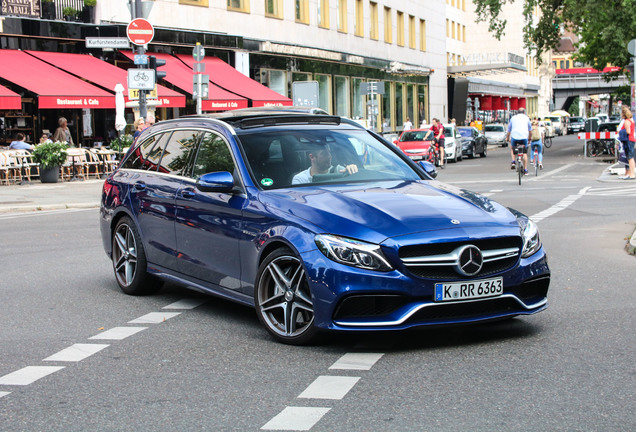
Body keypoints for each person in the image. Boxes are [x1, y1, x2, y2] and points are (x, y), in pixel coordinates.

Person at [291, 144, 358, 184]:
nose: (329, 156)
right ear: (312, 157)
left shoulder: (338, 171)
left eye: (329, 152)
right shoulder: (301, 180)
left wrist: (352, 170)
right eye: (324, 154)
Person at [506, 107, 531, 174]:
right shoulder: (526, 118)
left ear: (517, 112)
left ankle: (513, 161)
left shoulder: (513, 118)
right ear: (524, 112)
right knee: (524, 153)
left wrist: (507, 138)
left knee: (512, 148)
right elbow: (530, 130)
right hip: (524, 137)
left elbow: (509, 130)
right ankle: (525, 170)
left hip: (514, 137)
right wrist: (529, 138)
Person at [619, 106, 636, 179]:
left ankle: (632, 174)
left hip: (628, 140)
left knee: (630, 158)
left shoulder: (627, 122)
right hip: (631, 140)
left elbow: (628, 131)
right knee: (630, 157)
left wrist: (621, 132)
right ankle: (632, 173)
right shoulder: (631, 121)